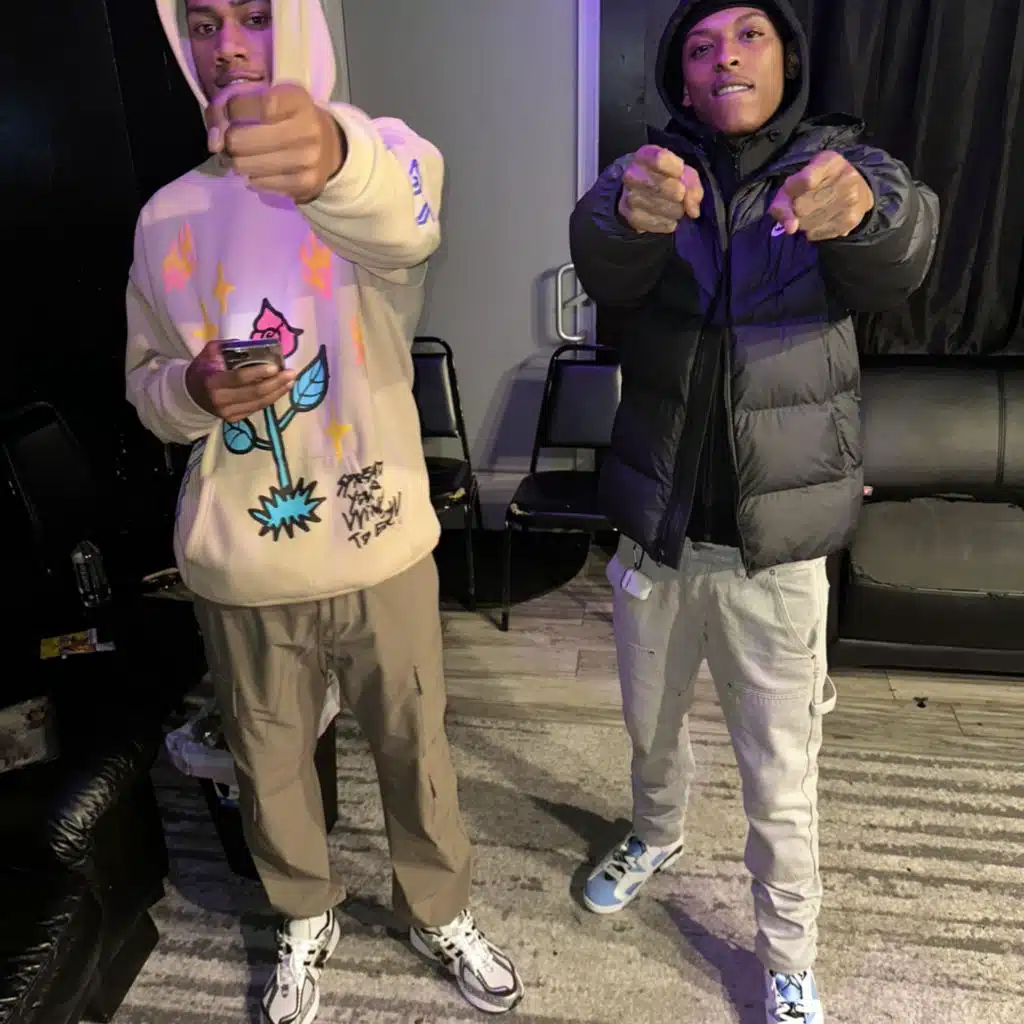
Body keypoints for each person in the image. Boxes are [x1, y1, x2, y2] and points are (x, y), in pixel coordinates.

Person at [125, 1, 524, 1020]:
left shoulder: (386, 155)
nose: (227, 45)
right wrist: (194, 389)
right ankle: (303, 910)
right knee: (267, 766)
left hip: (379, 541)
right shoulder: (165, 215)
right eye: (202, 22)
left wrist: (330, 155)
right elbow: (147, 392)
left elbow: (401, 222)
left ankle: (438, 909)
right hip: (242, 562)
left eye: (256, 15)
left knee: (415, 750)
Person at [569, 2, 937, 1021]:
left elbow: (905, 243)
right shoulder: (647, 170)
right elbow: (599, 254)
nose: (724, 56)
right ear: (681, 78)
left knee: (780, 776)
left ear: (787, 59)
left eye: (747, 36)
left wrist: (864, 211)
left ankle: (787, 951)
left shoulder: (843, 164)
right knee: (649, 733)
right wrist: (624, 216)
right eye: (699, 46)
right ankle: (656, 833)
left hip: (774, 553)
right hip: (656, 532)